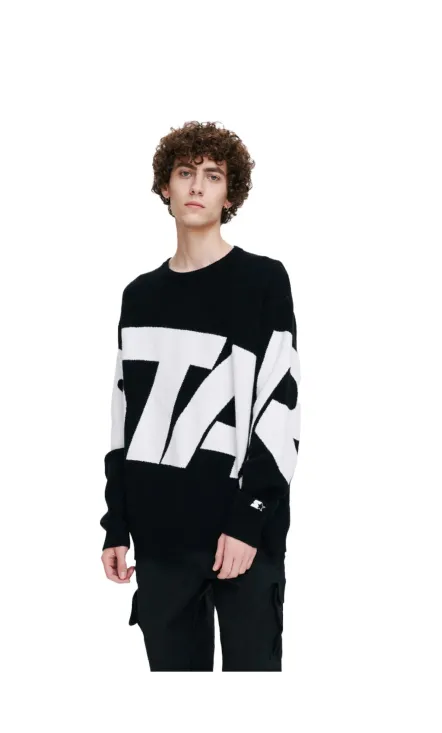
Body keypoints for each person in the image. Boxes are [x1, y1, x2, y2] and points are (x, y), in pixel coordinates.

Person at [99, 120, 301, 671]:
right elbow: (125, 418)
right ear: (165, 187)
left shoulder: (263, 282)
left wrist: (248, 521)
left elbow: (279, 409)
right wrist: (116, 523)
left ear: (229, 195)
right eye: (185, 172)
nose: (196, 186)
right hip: (160, 539)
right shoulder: (139, 296)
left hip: (242, 537)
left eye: (213, 176)